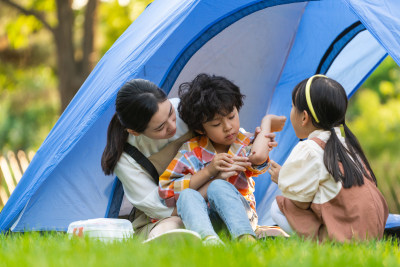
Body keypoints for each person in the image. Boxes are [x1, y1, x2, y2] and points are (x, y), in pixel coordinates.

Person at [158, 73, 287, 244]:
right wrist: (209, 170)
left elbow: (259, 158)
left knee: (219, 186)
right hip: (204, 220)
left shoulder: (244, 142)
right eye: (216, 124)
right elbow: (167, 191)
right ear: (201, 129)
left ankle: (246, 240)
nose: (228, 127)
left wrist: (266, 124)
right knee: (187, 195)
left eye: (232, 116)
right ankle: (210, 242)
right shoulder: (191, 150)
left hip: (241, 217)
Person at [268, 75, 389, 242]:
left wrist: (282, 178)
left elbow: (300, 203)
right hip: (371, 234)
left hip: (346, 237)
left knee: (278, 207)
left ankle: (320, 245)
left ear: (304, 117)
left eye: (292, 106)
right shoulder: (348, 145)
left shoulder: (309, 148)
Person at [101, 79, 199, 241]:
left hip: (215, 191)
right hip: (170, 213)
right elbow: (159, 208)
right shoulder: (125, 157)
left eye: (170, 113)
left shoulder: (183, 109)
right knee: (173, 226)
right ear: (134, 132)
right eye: (160, 128)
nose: (172, 127)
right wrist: (202, 196)